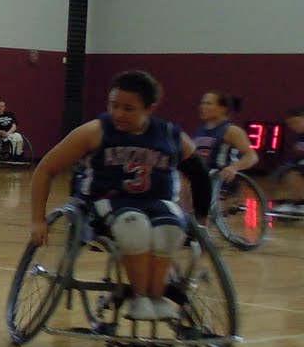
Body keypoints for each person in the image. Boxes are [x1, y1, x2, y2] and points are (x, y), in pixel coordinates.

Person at [27, 70, 209, 322]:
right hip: (106, 203)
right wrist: (38, 218)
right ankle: (139, 297)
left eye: (128, 108)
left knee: (169, 230)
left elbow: (199, 175)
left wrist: (202, 220)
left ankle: (156, 297)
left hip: (157, 202)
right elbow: (46, 169)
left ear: (150, 108)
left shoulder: (170, 135)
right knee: (134, 227)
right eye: (113, 106)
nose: (118, 114)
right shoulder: (94, 131)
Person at [191, 91, 258, 185]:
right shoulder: (200, 130)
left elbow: (252, 156)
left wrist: (234, 167)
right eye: (202, 103)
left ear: (223, 109)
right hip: (203, 182)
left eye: (208, 103)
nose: (203, 107)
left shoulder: (232, 130)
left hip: (224, 186)